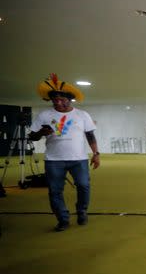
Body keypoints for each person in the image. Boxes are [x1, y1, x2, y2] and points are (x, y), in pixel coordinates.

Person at [28, 73, 100, 232]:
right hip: (54, 160)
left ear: (70, 99)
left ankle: (82, 210)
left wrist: (96, 154)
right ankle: (63, 219)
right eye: (55, 100)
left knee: (83, 185)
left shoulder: (82, 115)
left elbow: (90, 135)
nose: (58, 103)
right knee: (54, 191)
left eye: (62, 100)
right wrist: (41, 133)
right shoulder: (44, 115)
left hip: (79, 159)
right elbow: (31, 137)